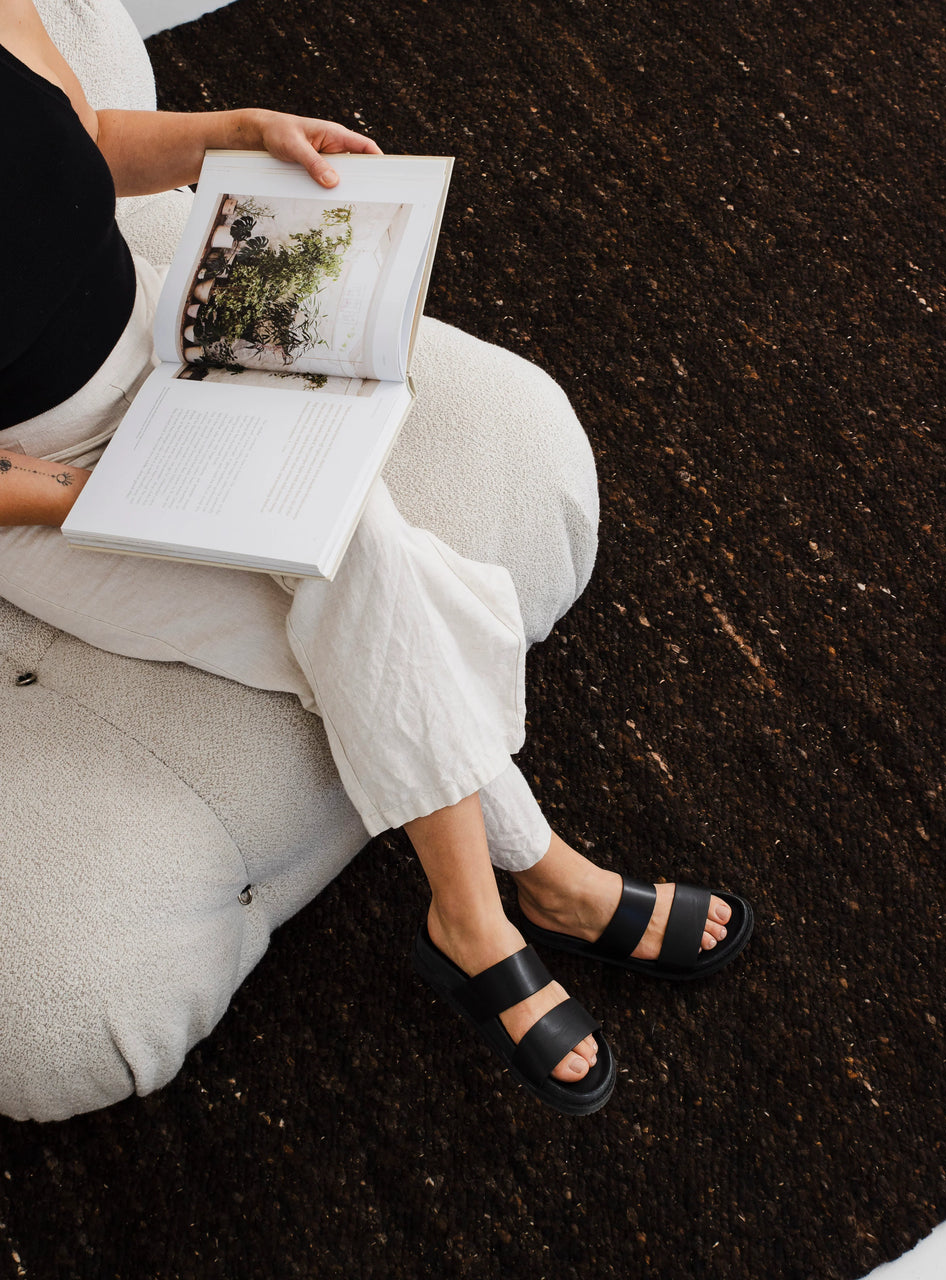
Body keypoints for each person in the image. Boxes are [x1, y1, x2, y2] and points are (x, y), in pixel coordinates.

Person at [0, 0, 752, 1116]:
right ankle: (521, 887)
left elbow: (93, 143)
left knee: (351, 567)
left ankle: (498, 910)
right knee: (369, 570)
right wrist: (77, 495)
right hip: (40, 489)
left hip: (167, 339)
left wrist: (247, 129)